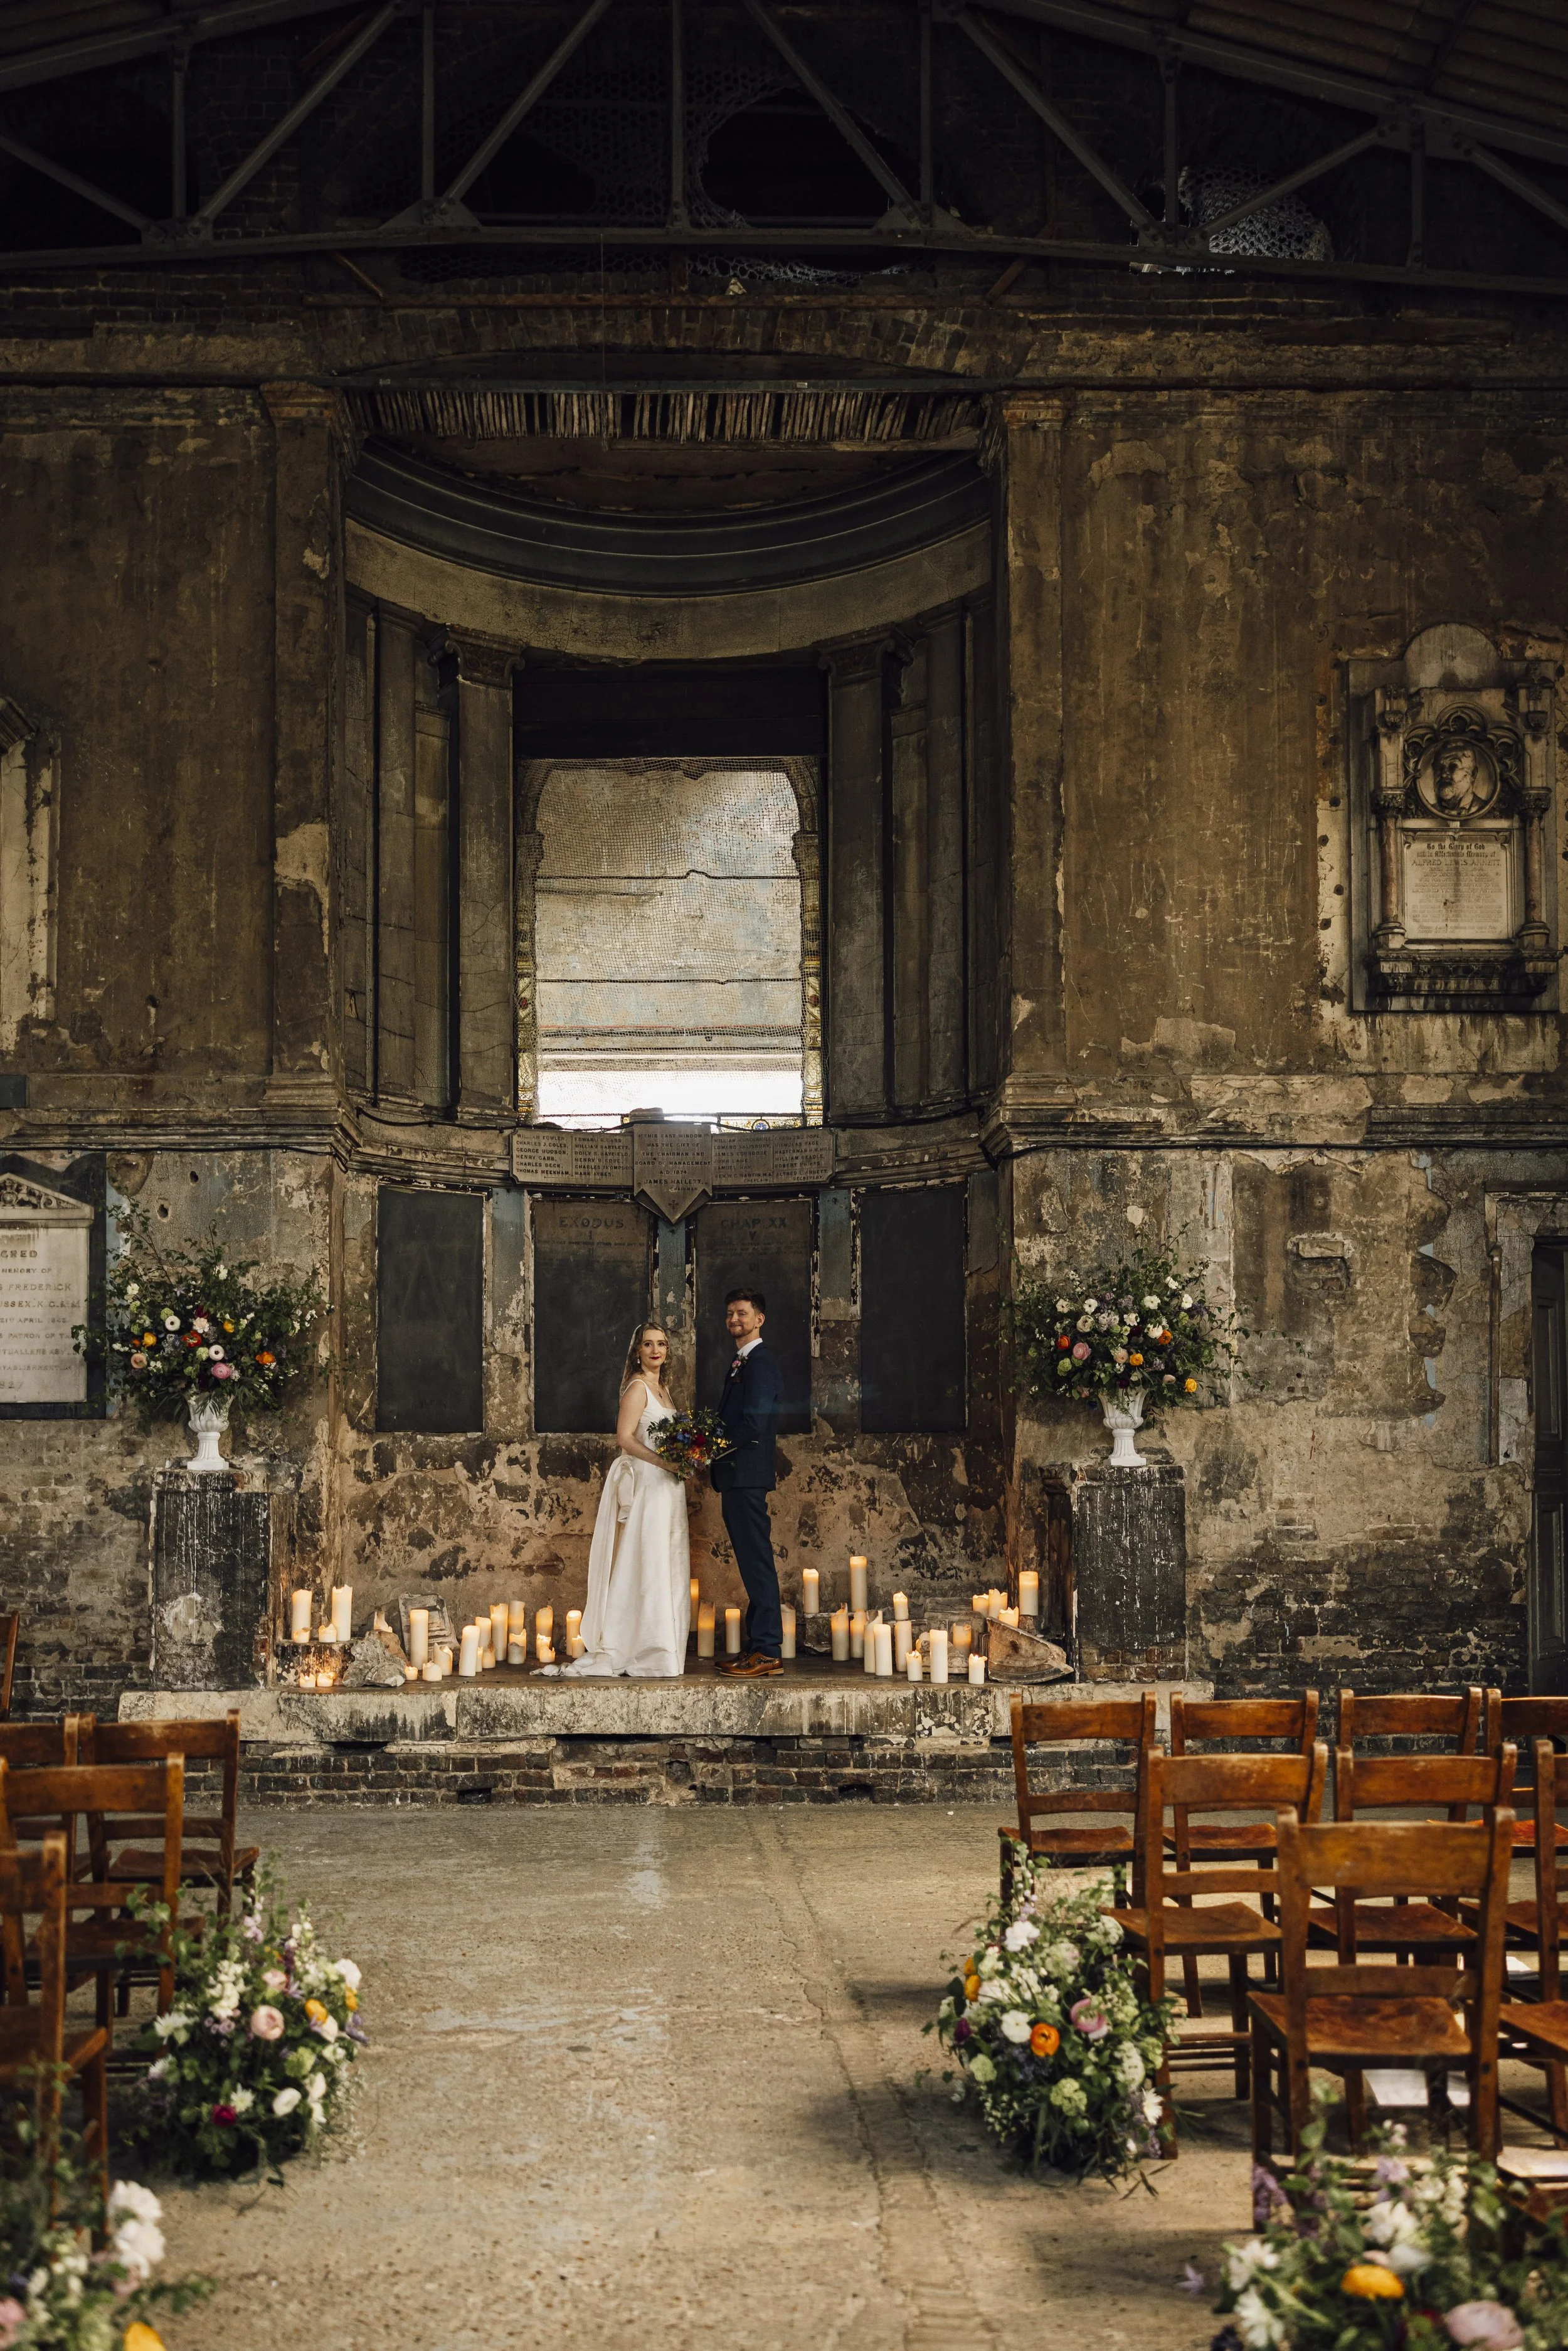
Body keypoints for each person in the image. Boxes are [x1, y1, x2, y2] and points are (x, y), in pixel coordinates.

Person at [546, 1322, 690, 1679]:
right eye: (648, 1345)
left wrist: (686, 1458)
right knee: (648, 1561)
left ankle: (665, 1648)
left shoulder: (665, 1390)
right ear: (637, 1351)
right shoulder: (638, 1387)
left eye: (661, 1344)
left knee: (668, 1561)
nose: (656, 1351)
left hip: (669, 1486)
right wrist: (664, 1462)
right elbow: (624, 1438)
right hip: (650, 1484)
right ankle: (646, 1649)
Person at [711, 1287, 784, 1679]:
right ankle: (759, 1647)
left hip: (746, 1476)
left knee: (757, 1563)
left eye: (741, 1313)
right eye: (729, 1314)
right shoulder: (741, 1362)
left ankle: (769, 1650)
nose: (734, 1319)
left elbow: (754, 1424)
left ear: (759, 1319)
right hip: (737, 1477)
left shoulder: (761, 1363)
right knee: (752, 1562)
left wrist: (709, 1448)